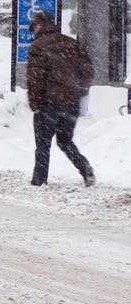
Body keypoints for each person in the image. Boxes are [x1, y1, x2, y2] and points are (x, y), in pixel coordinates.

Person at [26, 11, 96, 187]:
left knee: (43, 144)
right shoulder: (72, 44)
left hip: (48, 104)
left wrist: (35, 102)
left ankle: (39, 180)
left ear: (39, 26)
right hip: (71, 103)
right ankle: (85, 168)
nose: (33, 30)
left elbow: (36, 78)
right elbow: (88, 71)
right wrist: (77, 91)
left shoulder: (38, 46)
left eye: (34, 27)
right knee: (65, 140)